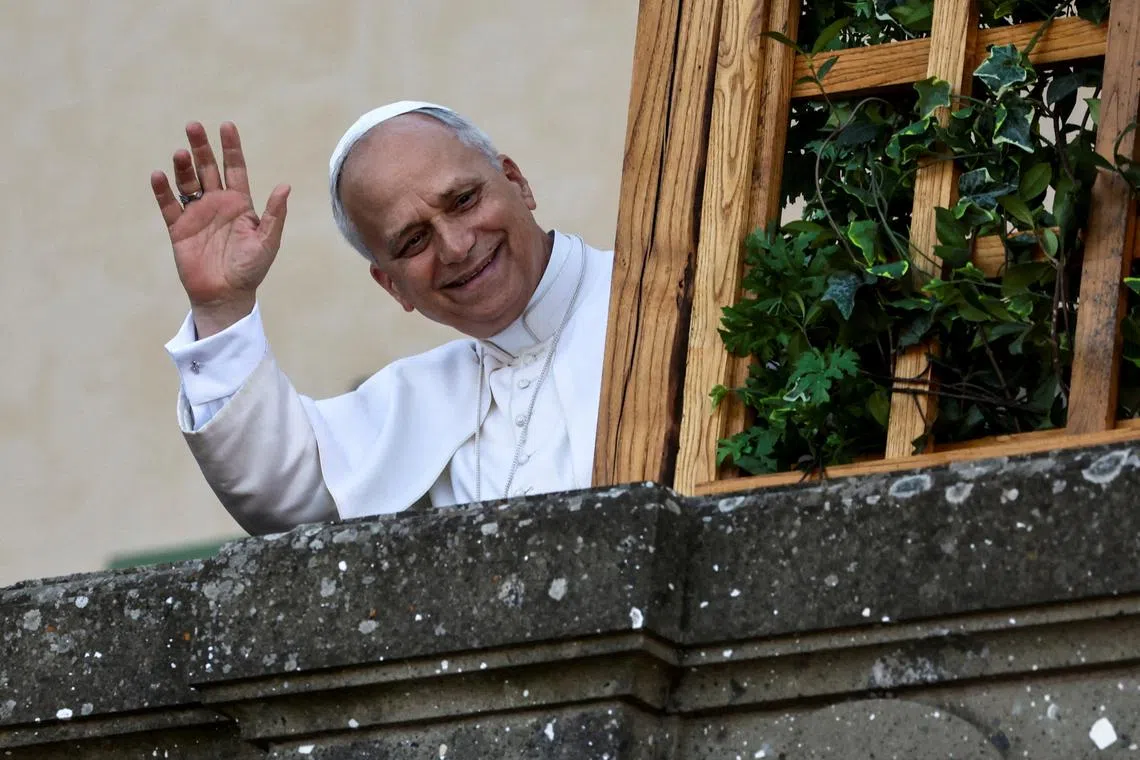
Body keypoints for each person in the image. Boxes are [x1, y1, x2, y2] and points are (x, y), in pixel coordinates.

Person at [150, 101, 614, 535]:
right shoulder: (420, 398)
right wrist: (221, 307)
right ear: (393, 286)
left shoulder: (653, 293)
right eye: (413, 242)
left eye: (464, 200)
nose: (456, 246)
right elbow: (278, 489)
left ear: (517, 182)